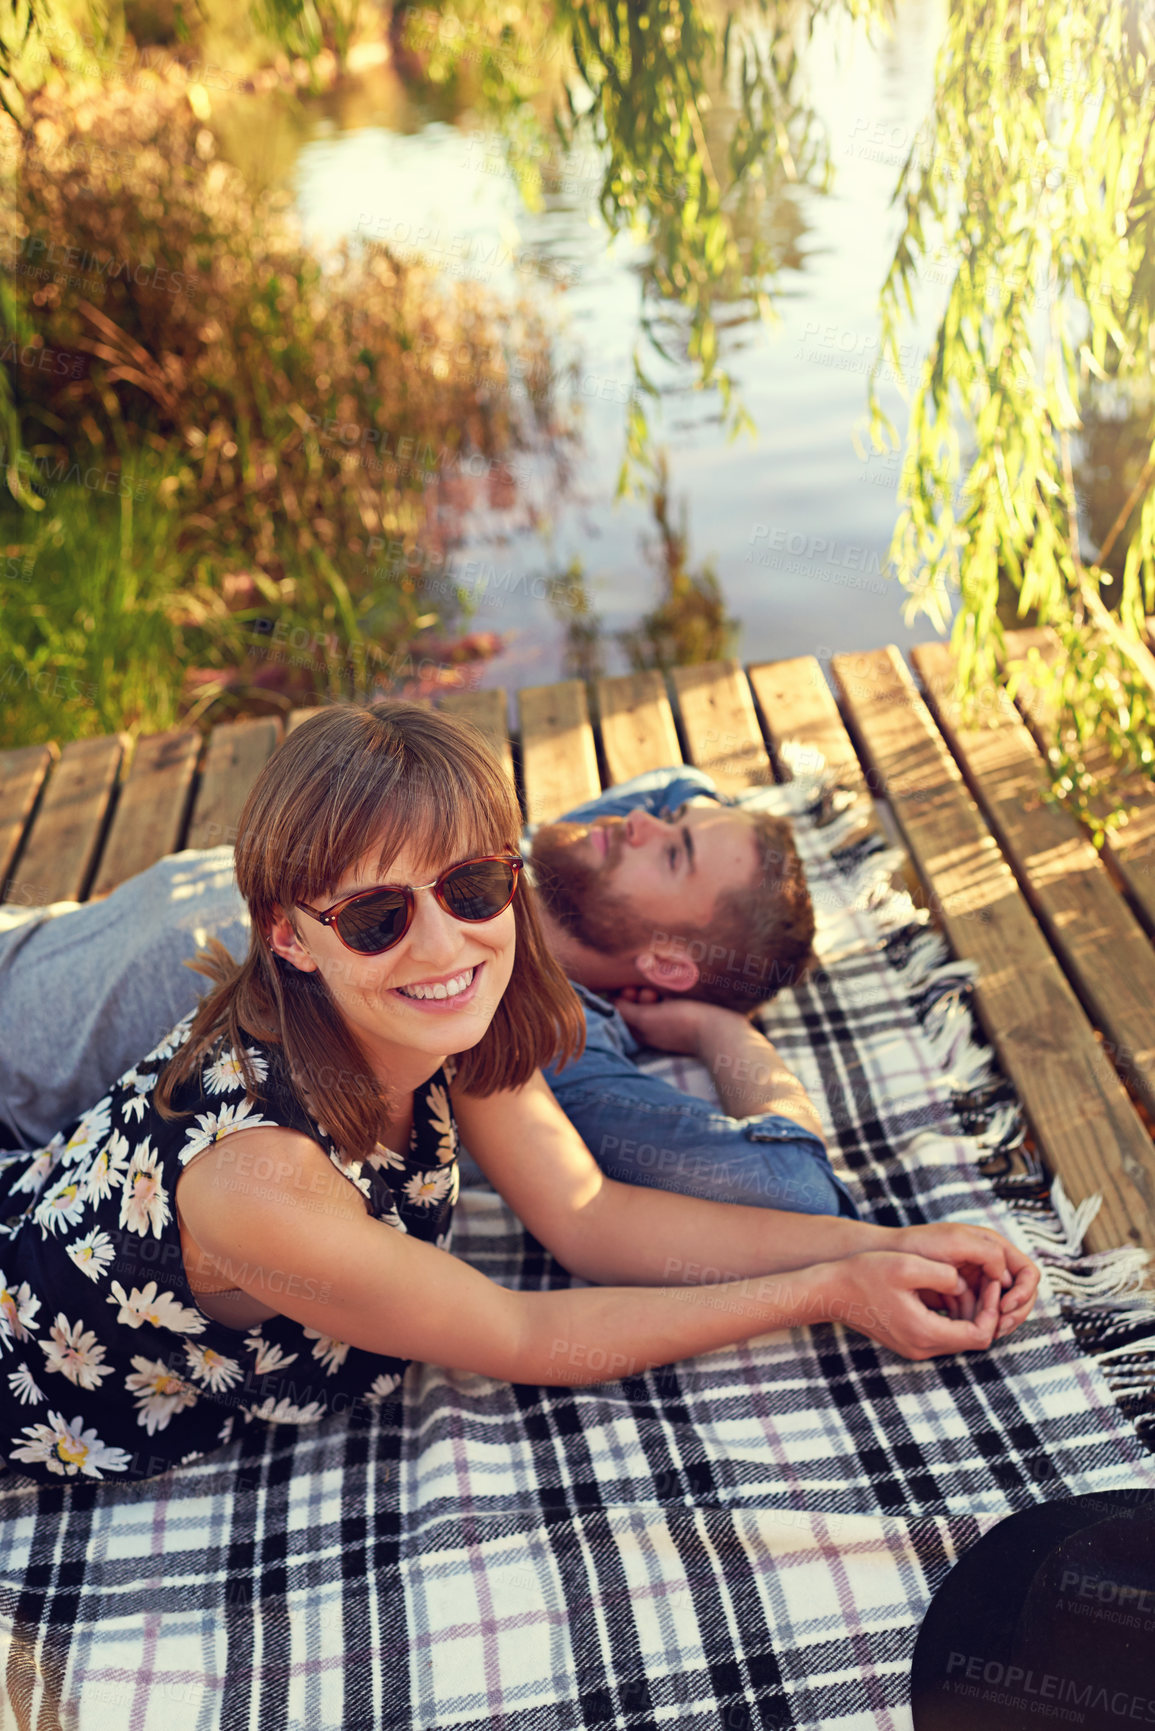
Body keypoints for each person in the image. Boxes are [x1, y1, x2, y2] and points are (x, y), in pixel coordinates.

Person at [0, 701, 1039, 1486]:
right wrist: (828, 1294)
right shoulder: (260, 1182)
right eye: (375, 916)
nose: (446, 944)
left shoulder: (436, 1010)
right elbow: (527, 1338)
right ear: (289, 934)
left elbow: (591, 1215)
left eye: (473, 887)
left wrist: (881, 1248)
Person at [0, 761, 852, 1218]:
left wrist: (718, 1033)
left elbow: (797, 1191)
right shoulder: (520, 856)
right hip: (32, 938)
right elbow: (672, 775)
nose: (640, 817)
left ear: (667, 967)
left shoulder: (527, 1031)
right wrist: (693, 826)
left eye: (672, 852)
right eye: (671, 820)